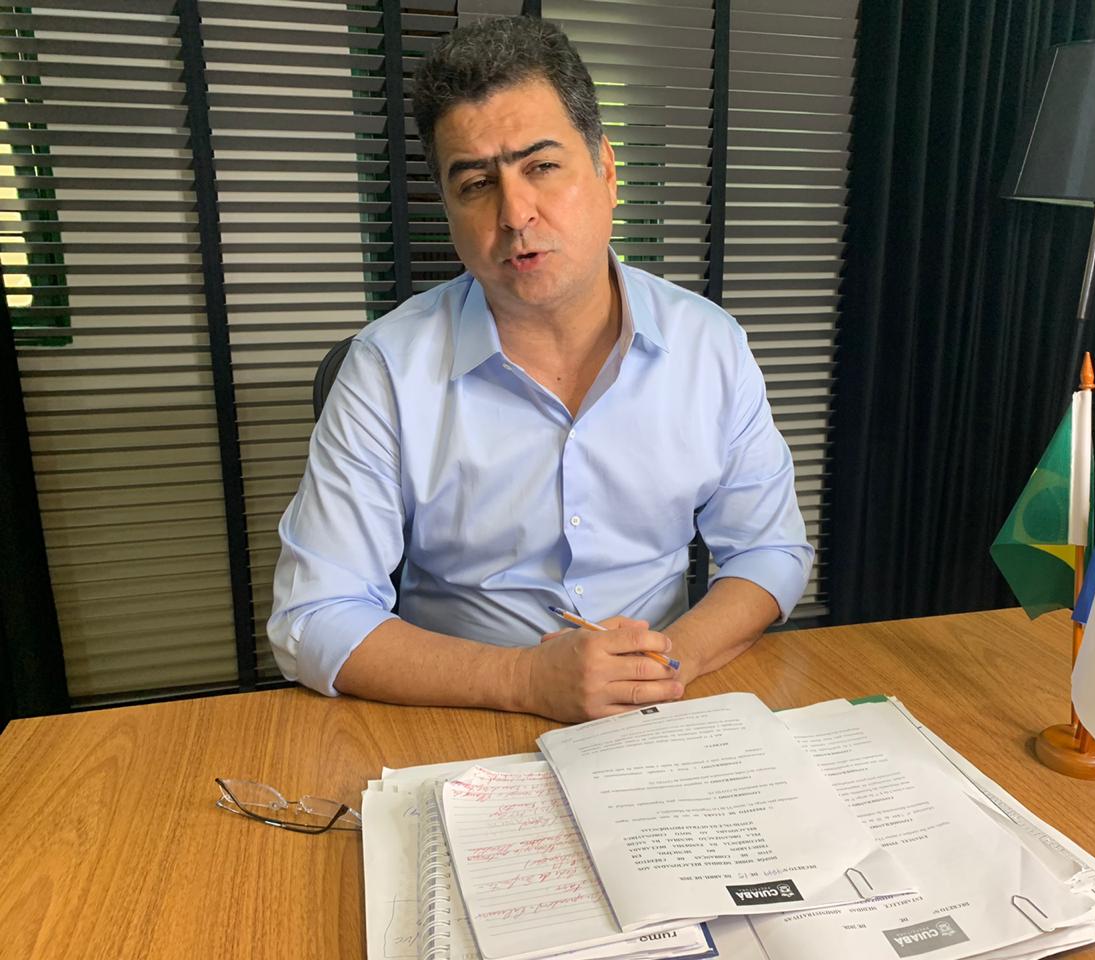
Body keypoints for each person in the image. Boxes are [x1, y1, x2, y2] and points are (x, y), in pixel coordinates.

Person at [267, 16, 813, 722]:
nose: (515, 213)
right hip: (460, 717)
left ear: (607, 171)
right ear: (448, 208)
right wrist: (526, 680)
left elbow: (770, 552)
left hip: (662, 709)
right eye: (476, 183)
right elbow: (314, 617)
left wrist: (662, 664)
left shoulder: (710, 345)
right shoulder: (386, 369)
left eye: (542, 167)